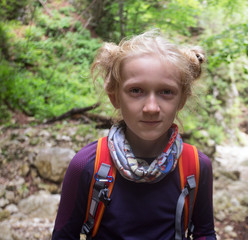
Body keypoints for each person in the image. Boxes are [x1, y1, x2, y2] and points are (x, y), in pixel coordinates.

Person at [52, 30, 216, 240]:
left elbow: (205, 233)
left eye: (166, 92)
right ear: (115, 97)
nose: (151, 107)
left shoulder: (196, 166)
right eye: (136, 91)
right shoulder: (86, 165)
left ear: (181, 100)